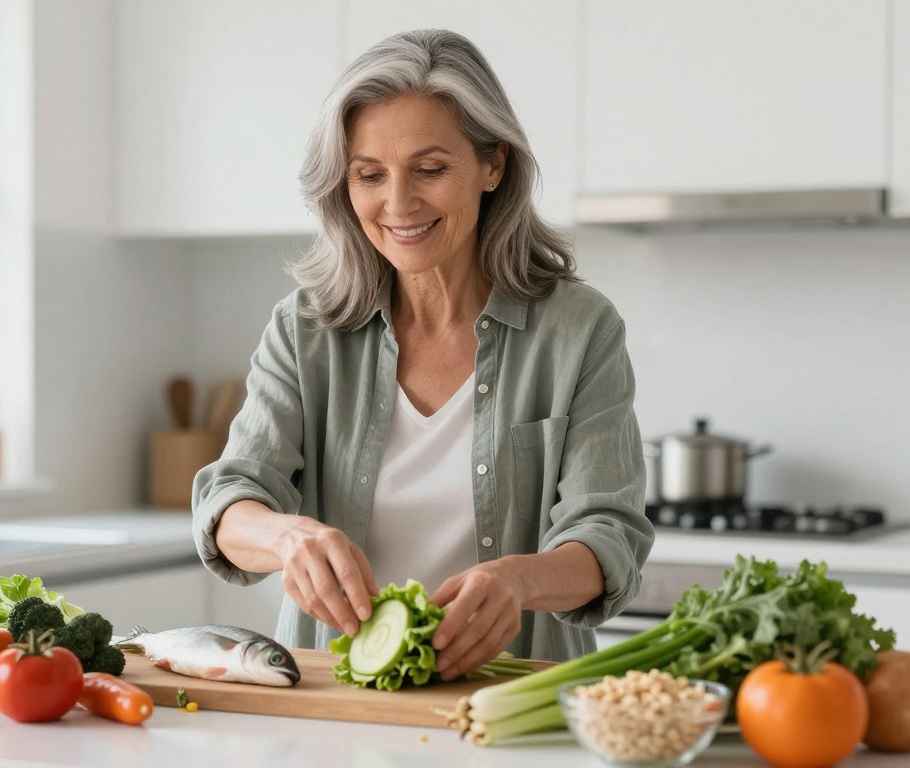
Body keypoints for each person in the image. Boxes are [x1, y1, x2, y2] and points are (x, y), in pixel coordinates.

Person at [192, 29, 652, 679]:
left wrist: (518, 582)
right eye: (369, 175)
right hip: (338, 702)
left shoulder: (578, 329)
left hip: (513, 700)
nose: (398, 203)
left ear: (493, 165)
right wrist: (288, 537)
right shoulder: (305, 329)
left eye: (430, 169)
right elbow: (229, 502)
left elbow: (609, 535)